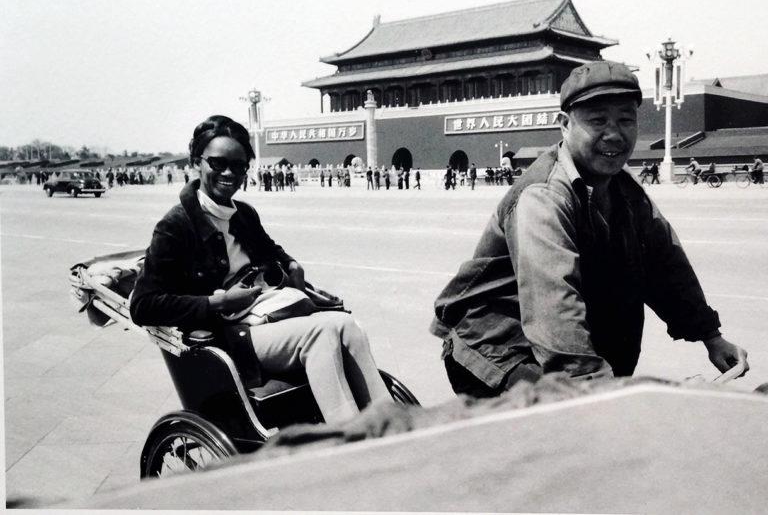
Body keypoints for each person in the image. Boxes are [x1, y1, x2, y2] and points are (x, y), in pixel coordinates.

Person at [431, 61, 748, 398]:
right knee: (578, 431)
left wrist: (711, 337)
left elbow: (667, 267)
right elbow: (554, 304)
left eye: (625, 119)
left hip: (568, 349)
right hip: (500, 350)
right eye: (598, 120)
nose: (614, 134)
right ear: (565, 125)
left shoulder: (626, 191)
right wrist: (593, 386)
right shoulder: (544, 198)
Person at [130, 115, 392, 423]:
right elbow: (143, 306)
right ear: (196, 162)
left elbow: (273, 251)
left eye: (239, 166)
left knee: (346, 326)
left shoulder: (244, 215)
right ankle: (351, 439)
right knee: (321, 333)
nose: (229, 173)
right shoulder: (175, 226)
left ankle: (391, 424)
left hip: (267, 317)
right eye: (217, 163)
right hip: (227, 335)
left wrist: (292, 265)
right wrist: (218, 302)